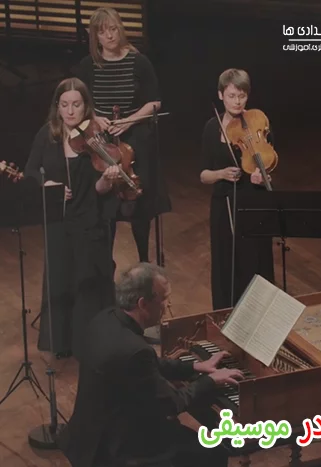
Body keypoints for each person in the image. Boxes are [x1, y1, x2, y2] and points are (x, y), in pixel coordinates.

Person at [58, 262, 242, 467]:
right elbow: (172, 403)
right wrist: (210, 381)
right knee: (214, 452)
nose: (167, 306)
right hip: (118, 450)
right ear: (143, 304)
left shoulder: (105, 319)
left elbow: (145, 365)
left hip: (88, 438)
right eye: (163, 299)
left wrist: (194, 367)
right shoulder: (135, 351)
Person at [25, 77, 120, 360]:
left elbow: (98, 190)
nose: (70, 111)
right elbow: (31, 172)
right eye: (64, 104)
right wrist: (48, 185)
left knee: (89, 280)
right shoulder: (47, 135)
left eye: (76, 105)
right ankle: (62, 341)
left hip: (90, 219)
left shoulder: (96, 138)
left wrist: (107, 179)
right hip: (58, 220)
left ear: (85, 106)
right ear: (57, 106)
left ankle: (90, 341)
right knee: (61, 276)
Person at [75, 7, 171, 264]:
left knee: (139, 204)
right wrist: (95, 117)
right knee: (106, 205)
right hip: (101, 139)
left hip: (135, 135)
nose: (109, 36)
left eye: (113, 29)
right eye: (103, 32)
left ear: (120, 29)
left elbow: (155, 102)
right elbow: (79, 102)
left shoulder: (139, 62)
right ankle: (105, 265)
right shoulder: (88, 66)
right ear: (95, 37)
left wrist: (129, 120)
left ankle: (144, 261)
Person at [200, 68, 275, 310]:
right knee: (226, 262)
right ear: (221, 95)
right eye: (232, 96)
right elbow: (204, 175)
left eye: (242, 96)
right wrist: (221, 174)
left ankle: (258, 314)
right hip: (224, 204)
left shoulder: (258, 122)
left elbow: (269, 163)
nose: (237, 102)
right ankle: (227, 313)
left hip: (253, 200)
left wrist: (262, 177)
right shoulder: (211, 128)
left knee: (256, 261)